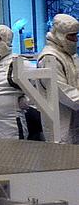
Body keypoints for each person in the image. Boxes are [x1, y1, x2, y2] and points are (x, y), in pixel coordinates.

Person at [37, 13, 79, 143]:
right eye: (71, 36)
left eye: (76, 35)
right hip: (59, 122)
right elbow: (62, 92)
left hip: (74, 119)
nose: (75, 39)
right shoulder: (50, 58)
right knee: (61, 158)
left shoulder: (70, 55)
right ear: (60, 36)